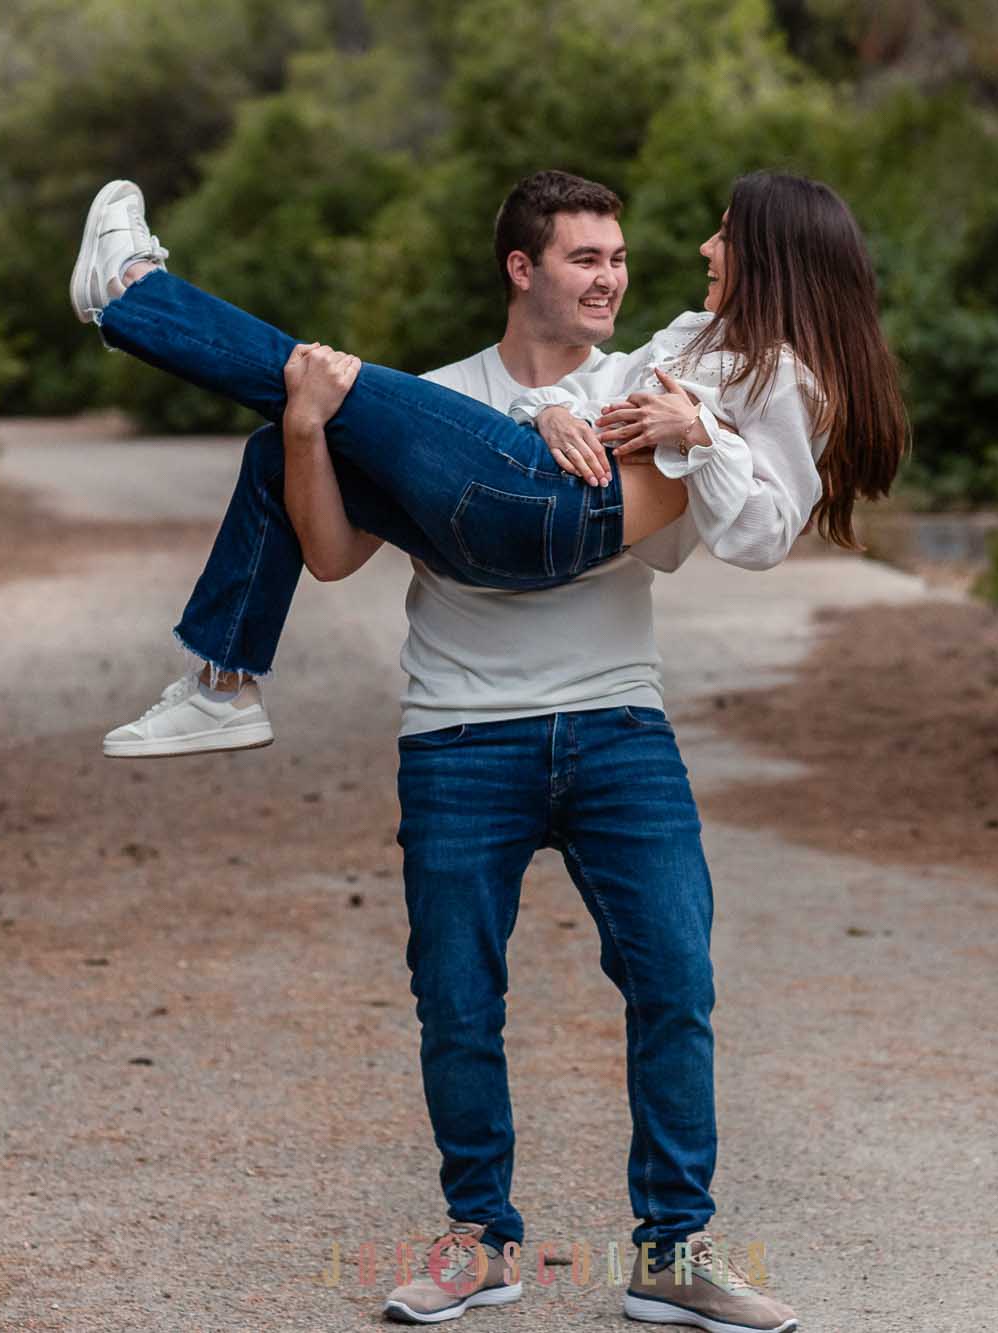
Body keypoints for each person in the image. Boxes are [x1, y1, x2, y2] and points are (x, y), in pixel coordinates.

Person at [83, 169, 829, 1331]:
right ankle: (478, 1241)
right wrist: (301, 435)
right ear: (520, 268)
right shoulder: (435, 403)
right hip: (460, 733)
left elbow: (731, 518)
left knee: (675, 980)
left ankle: (674, 1253)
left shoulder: (649, 381)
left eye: (617, 260)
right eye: (585, 259)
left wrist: (597, 422)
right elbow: (329, 557)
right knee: (455, 1000)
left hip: (614, 721)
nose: (613, 277)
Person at [75, 169, 909, 758]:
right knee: (290, 434)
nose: (705, 244)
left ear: (769, 254)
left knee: (329, 375)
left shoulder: (791, 379)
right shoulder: (696, 336)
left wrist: (701, 434)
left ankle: (135, 293)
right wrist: (545, 407)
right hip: (526, 500)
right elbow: (603, 391)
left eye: (725, 232)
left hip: (567, 515)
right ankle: (224, 686)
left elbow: (762, 535)